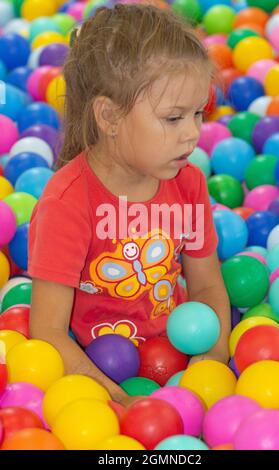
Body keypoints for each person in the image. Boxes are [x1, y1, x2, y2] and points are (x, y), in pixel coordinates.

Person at [28, 3, 231, 407]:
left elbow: (207, 285)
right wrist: (119, 403)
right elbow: (47, 334)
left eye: (197, 114)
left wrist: (212, 364)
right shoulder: (67, 203)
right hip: (96, 369)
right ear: (109, 116)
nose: (192, 134)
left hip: (176, 357)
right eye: (173, 119)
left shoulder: (187, 183)